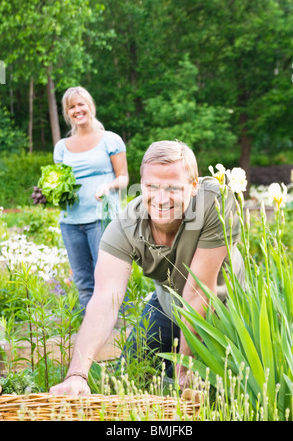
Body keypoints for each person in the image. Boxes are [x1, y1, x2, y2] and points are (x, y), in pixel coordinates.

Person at [50, 140, 244, 396]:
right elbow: (105, 299)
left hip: (225, 312)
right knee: (127, 380)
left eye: (173, 188)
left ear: (194, 186)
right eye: (151, 187)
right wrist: (77, 375)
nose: (161, 199)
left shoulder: (215, 201)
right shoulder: (125, 226)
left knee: (218, 394)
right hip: (168, 305)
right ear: (141, 185)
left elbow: (198, 291)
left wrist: (184, 369)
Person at [54, 86, 129, 310]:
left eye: (81, 104)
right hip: (70, 222)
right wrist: (48, 193)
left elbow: (124, 178)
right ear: (67, 113)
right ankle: (89, 329)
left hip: (101, 218)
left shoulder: (110, 140)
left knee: (107, 276)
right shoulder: (61, 147)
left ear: (90, 107)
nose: (77, 110)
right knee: (83, 281)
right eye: (72, 107)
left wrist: (108, 186)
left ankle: (117, 330)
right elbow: (60, 183)